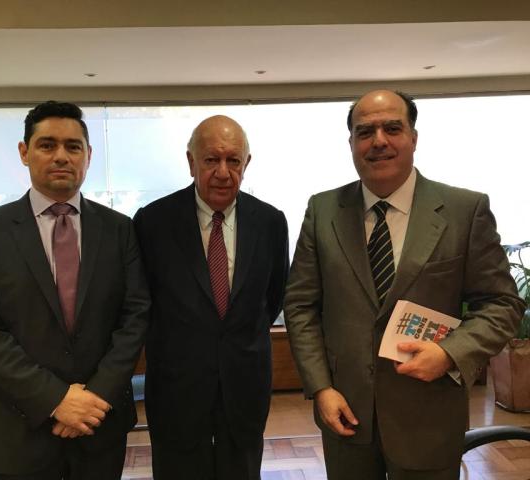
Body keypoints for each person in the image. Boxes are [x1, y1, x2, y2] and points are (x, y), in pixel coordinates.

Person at [284, 90, 525, 479]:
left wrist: (449, 353)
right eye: (365, 132)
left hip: (429, 416)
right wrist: (321, 388)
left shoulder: (465, 211)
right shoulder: (322, 211)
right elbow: (300, 306)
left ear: (413, 137)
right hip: (345, 414)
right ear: (351, 144)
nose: (378, 140)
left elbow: (502, 303)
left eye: (392, 128)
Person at [0, 101, 150, 480]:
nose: (61, 156)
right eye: (47, 145)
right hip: (12, 431)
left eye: (73, 146)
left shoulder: (119, 230)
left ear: (88, 156)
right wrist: (57, 400)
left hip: (97, 425)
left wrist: (93, 399)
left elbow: (135, 316)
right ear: (24, 153)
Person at [133, 115, 289, 480]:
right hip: (176, 387)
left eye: (233, 160)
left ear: (246, 164)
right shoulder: (152, 222)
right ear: (191, 162)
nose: (222, 172)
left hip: (245, 383)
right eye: (211, 160)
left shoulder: (270, 222)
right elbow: (143, 302)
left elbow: (273, 296)